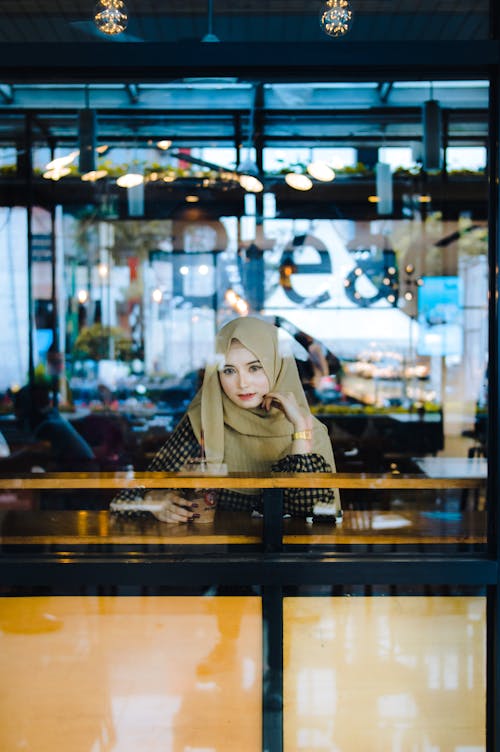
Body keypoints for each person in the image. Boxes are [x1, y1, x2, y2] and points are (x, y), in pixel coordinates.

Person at [111, 316, 340, 522]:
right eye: (229, 370)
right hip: (210, 561)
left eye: (255, 368)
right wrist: (152, 498)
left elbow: (316, 513)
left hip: (289, 566)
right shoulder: (204, 421)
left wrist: (300, 433)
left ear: (277, 367)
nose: (243, 383)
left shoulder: (311, 430)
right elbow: (124, 501)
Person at [10, 383, 98, 472]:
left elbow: (37, 457)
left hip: (81, 478)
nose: (16, 414)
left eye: (19, 406)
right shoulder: (54, 419)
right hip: (84, 474)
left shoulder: (49, 426)